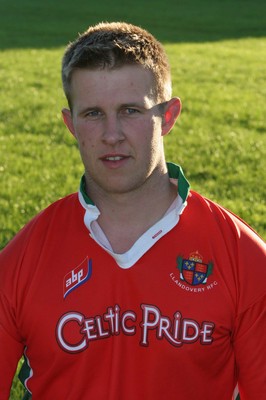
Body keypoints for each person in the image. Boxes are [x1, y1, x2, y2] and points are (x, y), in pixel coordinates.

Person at [0, 21, 265, 400]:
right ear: (70, 124)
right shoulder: (22, 261)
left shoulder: (244, 259)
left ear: (168, 116)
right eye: (92, 114)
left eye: (129, 111)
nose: (112, 134)